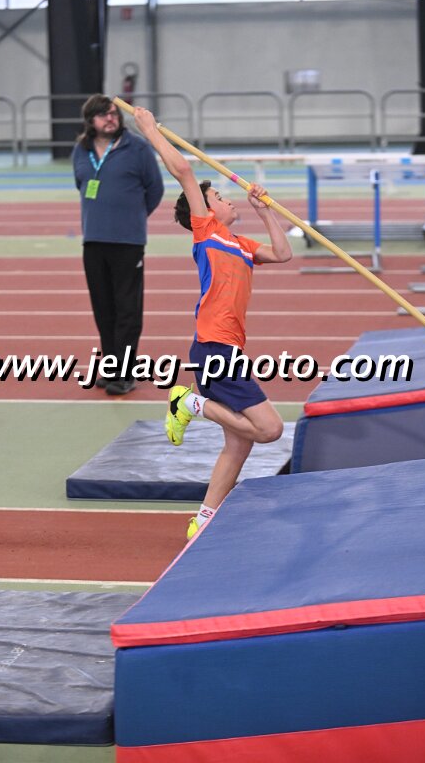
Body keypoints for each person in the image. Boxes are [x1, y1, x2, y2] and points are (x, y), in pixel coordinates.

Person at [134, 106, 293, 539]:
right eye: (220, 196)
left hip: (227, 349)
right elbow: (183, 169)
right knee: (270, 430)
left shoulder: (240, 244)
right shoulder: (205, 230)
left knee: (238, 444)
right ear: (205, 209)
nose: (227, 199)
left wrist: (265, 211)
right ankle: (188, 404)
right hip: (214, 346)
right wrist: (149, 129)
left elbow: (283, 254)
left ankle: (202, 522)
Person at [72, 95, 164, 395]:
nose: (111, 118)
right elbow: (81, 184)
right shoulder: (81, 150)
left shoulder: (137, 148)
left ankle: (125, 374)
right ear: (91, 121)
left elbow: (155, 189)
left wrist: (133, 217)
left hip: (128, 241)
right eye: (103, 115)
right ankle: (111, 368)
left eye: (113, 113)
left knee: (127, 309)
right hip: (94, 240)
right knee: (103, 309)